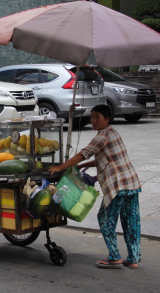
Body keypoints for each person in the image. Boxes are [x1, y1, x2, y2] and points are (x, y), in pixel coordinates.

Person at [49, 104, 141, 269]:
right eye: (92, 117)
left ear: (107, 119)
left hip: (117, 185)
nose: (93, 121)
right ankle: (133, 258)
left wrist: (60, 167)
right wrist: (85, 164)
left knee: (105, 219)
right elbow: (105, 157)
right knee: (131, 221)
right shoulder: (113, 133)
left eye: (97, 117)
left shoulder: (102, 135)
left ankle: (114, 257)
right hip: (131, 183)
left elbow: (82, 154)